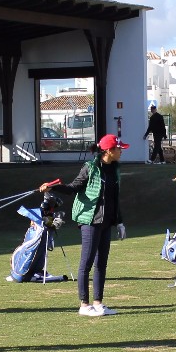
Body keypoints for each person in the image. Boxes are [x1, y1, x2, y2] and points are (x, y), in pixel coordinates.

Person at [42, 133, 127, 317]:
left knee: (101, 263)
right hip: (89, 220)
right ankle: (84, 305)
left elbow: (114, 199)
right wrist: (53, 187)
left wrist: (119, 222)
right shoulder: (90, 168)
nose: (121, 152)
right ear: (108, 151)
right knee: (86, 263)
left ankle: (98, 303)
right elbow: (73, 188)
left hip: (106, 222)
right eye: (119, 149)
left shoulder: (115, 169)